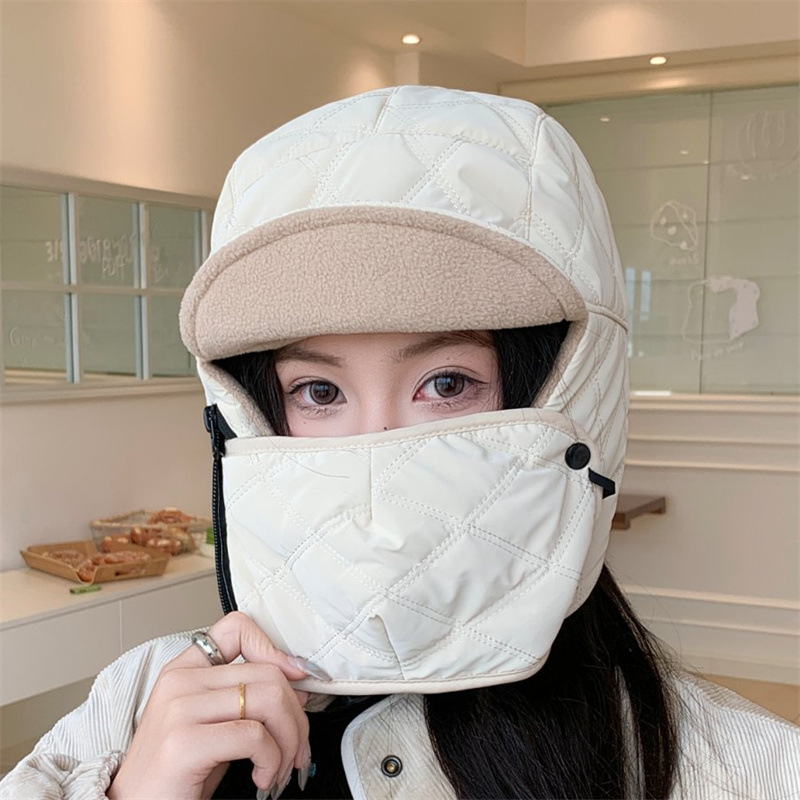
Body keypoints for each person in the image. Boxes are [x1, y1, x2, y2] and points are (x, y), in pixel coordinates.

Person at [1, 85, 798, 800]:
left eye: (446, 383)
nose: (376, 455)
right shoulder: (140, 703)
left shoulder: (732, 768)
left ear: (569, 391)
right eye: (319, 393)